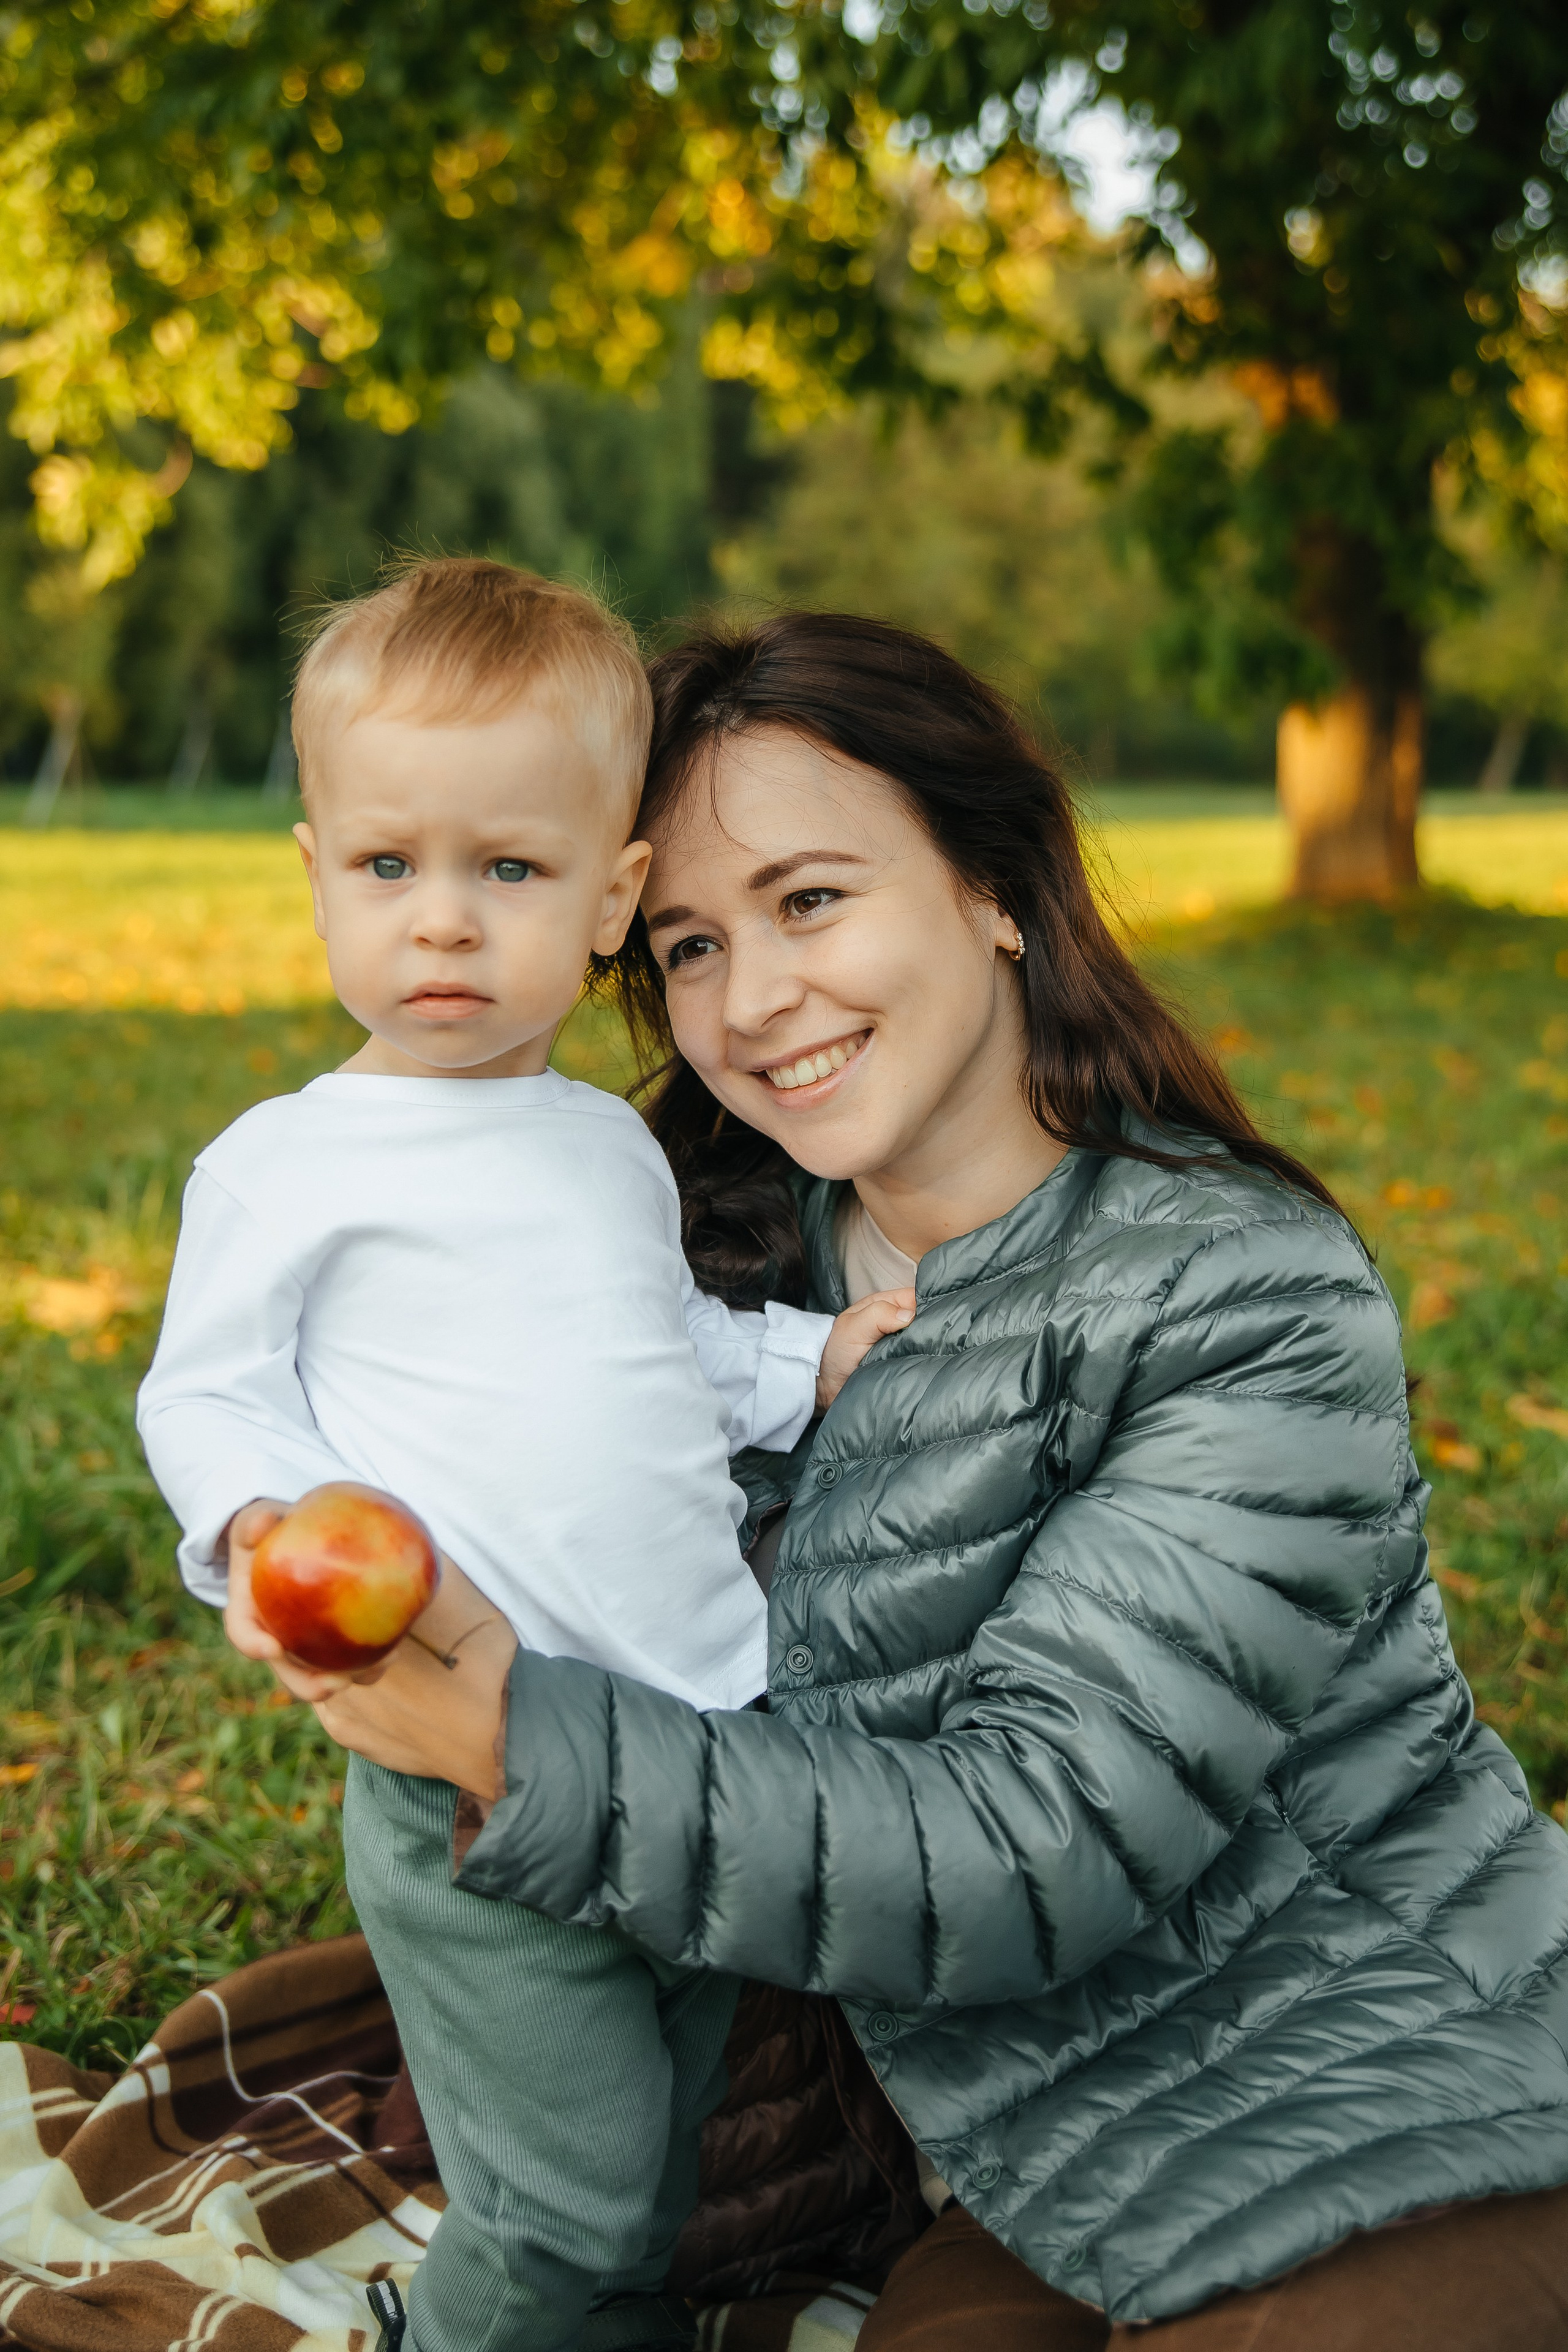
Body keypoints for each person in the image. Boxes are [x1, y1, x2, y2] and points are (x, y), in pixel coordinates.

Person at [257, 611, 1568, 2351]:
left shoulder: (1242, 1299)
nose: (755, 1001)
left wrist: (511, 1742)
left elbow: (1039, 1848)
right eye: (693, 944)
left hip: (1378, 2086)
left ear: (996, 887)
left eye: (810, 901)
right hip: (1012, 2154)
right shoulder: (687, 1269)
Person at [136, 564, 913, 2352]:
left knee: (661, 2154)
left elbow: (666, 1348)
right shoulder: (289, 1164)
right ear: (316, 875)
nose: (442, 923)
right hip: (471, 1771)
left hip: (702, 1729)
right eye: (386, 866)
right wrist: (260, 1521)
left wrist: (811, 1358)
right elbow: (206, 1391)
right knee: (567, 2195)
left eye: (508, 871)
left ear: (612, 900)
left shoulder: (606, 1150)